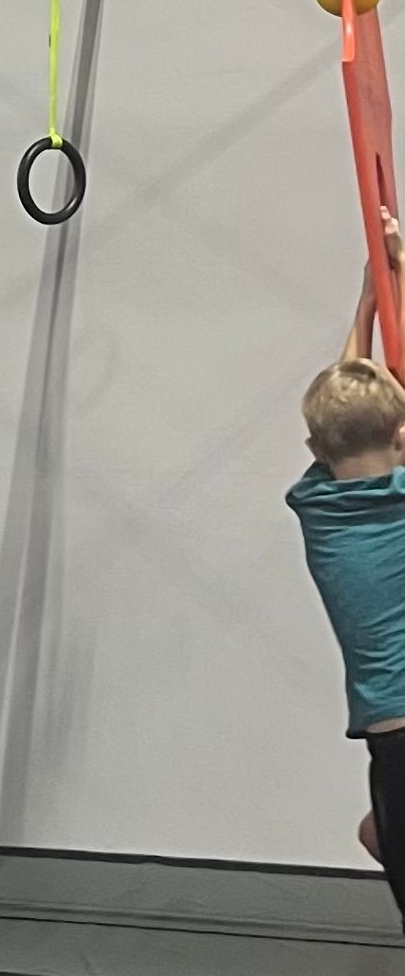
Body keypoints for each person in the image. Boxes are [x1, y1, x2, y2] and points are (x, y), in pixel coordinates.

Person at [287, 207, 405, 926]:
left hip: (388, 742)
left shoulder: (315, 505)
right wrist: (391, 275)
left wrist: (372, 296)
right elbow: (364, 406)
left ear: (312, 448)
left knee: (377, 835)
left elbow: (347, 407)